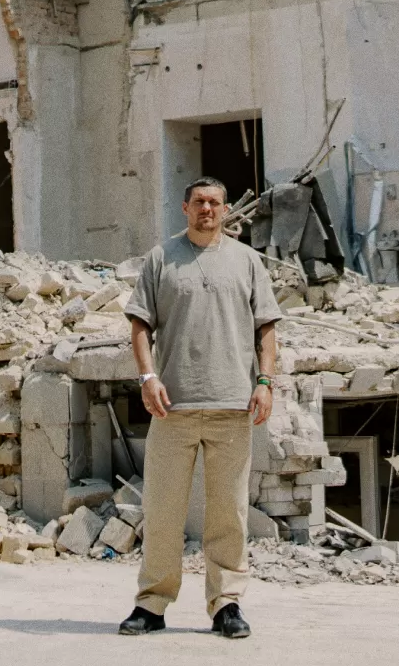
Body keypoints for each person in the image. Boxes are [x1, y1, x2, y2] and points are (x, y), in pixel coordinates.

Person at [116, 175, 282, 639]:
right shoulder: (160, 259)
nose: (207, 209)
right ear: (184, 208)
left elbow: (266, 329)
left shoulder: (248, 262)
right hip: (174, 406)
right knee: (163, 508)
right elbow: (140, 326)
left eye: (215, 202)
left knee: (228, 510)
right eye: (199, 202)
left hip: (233, 405)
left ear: (226, 210)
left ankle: (226, 604)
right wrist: (148, 377)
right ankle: (151, 604)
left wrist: (265, 382)